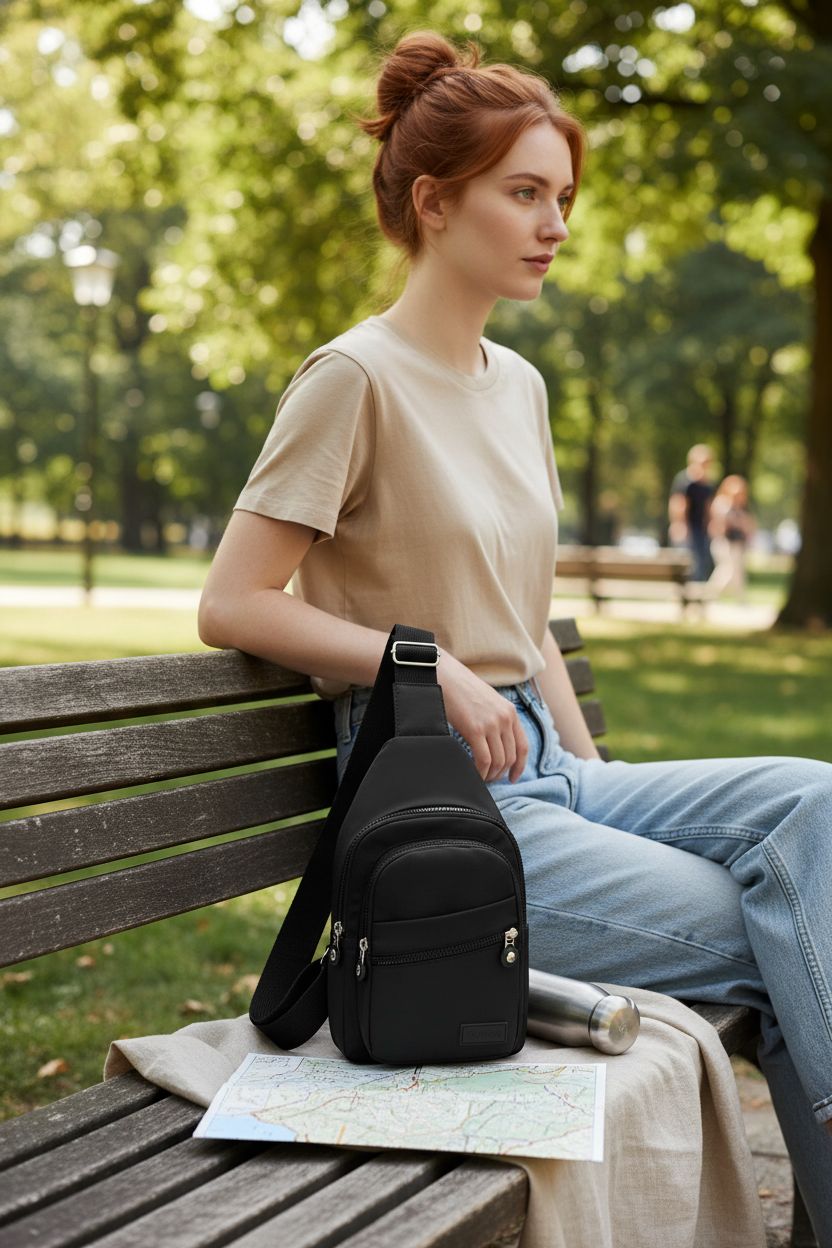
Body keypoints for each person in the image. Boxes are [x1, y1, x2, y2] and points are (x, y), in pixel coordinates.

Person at [198, 30, 832, 1240]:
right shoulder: (353, 379)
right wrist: (418, 665)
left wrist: (588, 765)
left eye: (563, 198)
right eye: (524, 193)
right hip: (439, 803)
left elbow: (525, 610)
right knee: (781, 927)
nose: (554, 224)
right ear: (435, 203)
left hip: (554, 775)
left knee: (813, 810)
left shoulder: (519, 382)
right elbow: (233, 603)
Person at [668, 444, 717, 581]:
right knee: (686, 561)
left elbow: (709, 507)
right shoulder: (684, 480)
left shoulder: (707, 484)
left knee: (701, 563)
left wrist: (711, 524)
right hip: (687, 528)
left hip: (701, 528)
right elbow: (678, 504)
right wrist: (679, 525)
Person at [707, 474, 756, 602]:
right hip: (724, 542)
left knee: (737, 572)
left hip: (737, 543)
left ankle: (741, 600)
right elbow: (722, 524)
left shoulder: (741, 508)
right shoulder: (722, 504)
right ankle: (710, 595)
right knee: (727, 571)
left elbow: (749, 525)